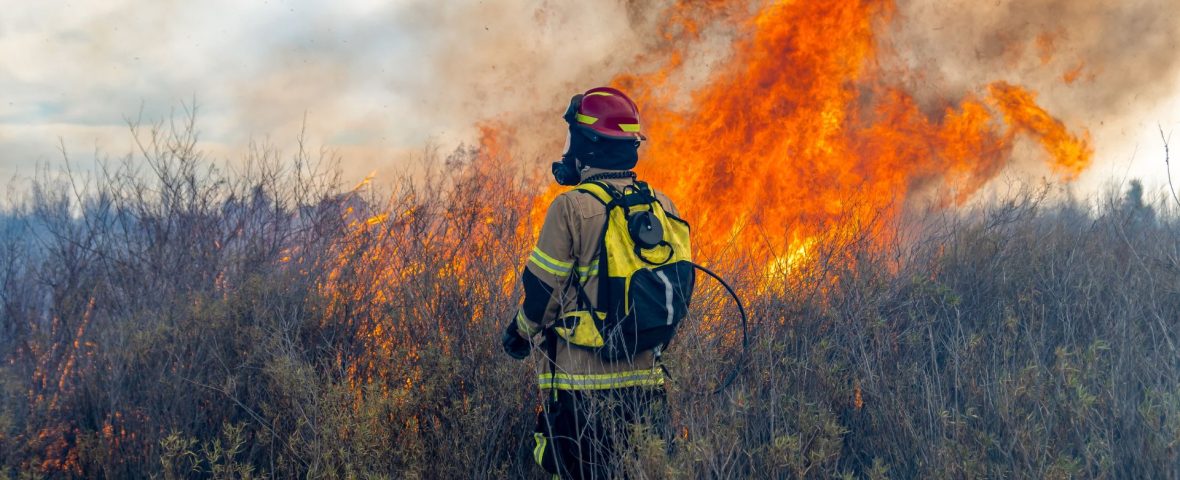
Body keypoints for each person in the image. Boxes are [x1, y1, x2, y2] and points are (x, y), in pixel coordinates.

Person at [502, 86, 692, 479]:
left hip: (584, 382)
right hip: (647, 378)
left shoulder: (571, 206)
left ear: (586, 144)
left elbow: (543, 293)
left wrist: (519, 334)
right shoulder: (663, 205)